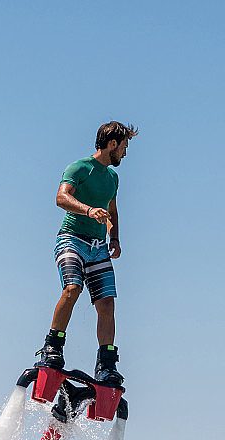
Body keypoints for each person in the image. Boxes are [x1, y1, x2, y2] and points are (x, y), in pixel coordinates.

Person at [34, 121, 138, 386]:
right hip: (71, 240)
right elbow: (61, 198)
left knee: (107, 303)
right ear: (113, 144)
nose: (125, 153)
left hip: (98, 247)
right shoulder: (79, 168)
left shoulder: (113, 178)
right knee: (72, 288)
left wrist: (114, 237)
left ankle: (106, 365)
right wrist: (89, 210)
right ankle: (52, 347)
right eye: (124, 147)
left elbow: (112, 211)